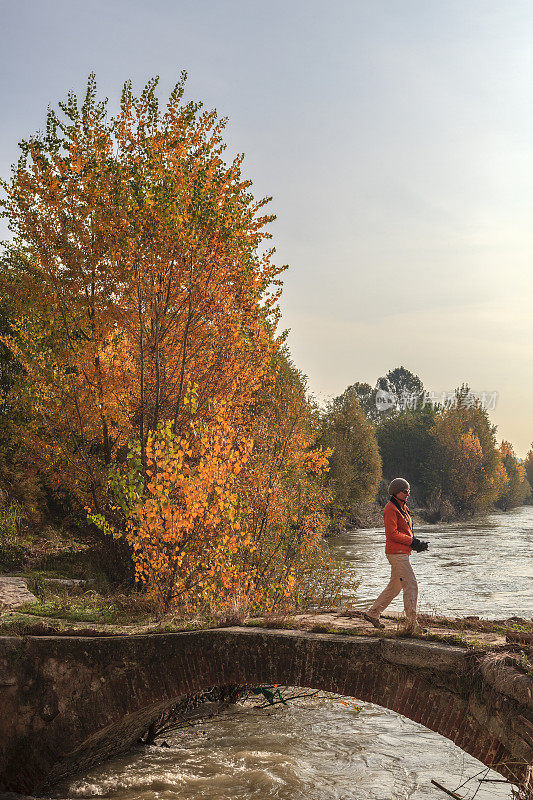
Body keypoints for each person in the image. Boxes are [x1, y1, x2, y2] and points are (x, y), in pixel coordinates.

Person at [363, 477, 426, 635]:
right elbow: (392, 534)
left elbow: (405, 531)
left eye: (408, 491)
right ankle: (412, 623)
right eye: (405, 491)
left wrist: (416, 544)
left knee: (395, 587)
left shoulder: (402, 507)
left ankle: (372, 613)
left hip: (401, 552)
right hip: (396, 553)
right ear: (396, 492)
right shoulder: (390, 508)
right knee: (411, 585)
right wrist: (412, 541)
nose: (408, 494)